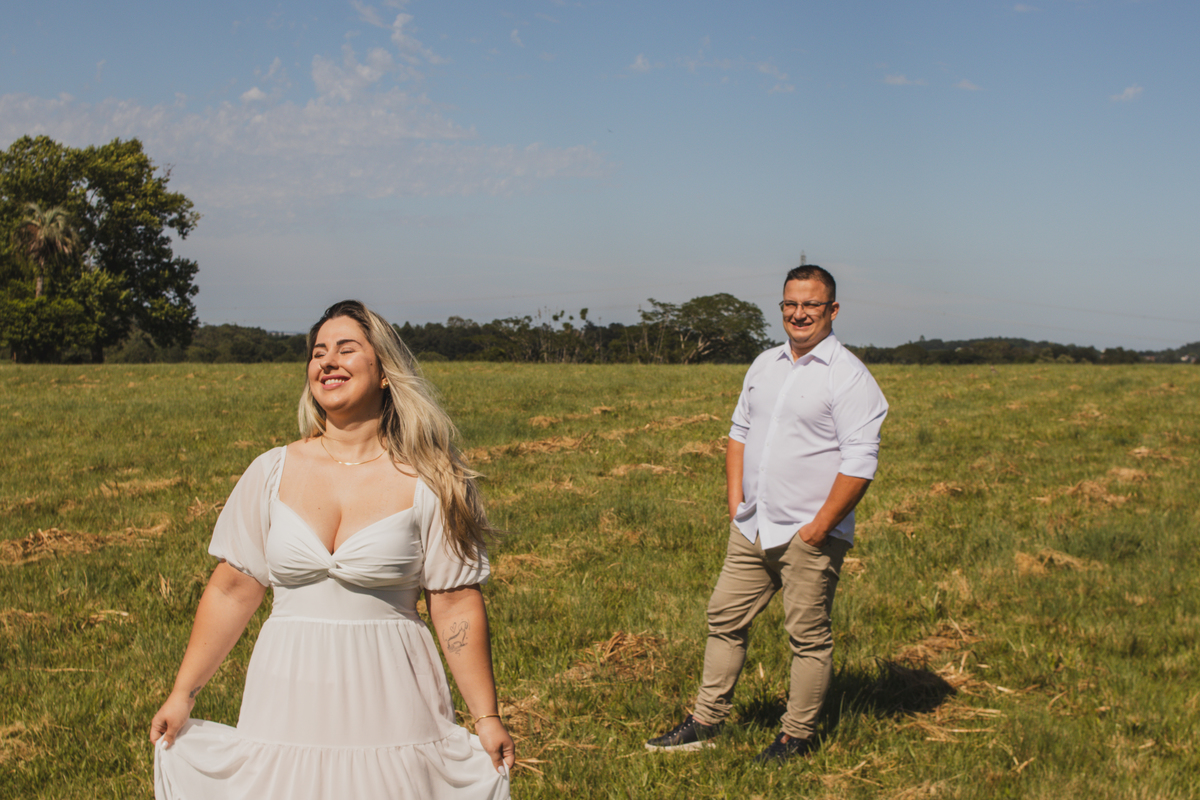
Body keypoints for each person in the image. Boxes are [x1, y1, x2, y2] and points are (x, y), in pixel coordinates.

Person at [150, 300, 514, 799]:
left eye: (346, 349)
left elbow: (454, 603)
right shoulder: (270, 471)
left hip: (393, 698)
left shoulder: (433, 479)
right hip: (286, 694)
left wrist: (486, 716)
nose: (327, 361)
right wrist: (183, 694)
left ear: (384, 371)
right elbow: (232, 590)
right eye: (318, 352)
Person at [645, 264, 888, 764]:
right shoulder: (764, 364)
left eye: (811, 304)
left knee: (807, 638)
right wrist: (736, 502)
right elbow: (739, 432)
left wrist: (818, 528)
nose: (799, 314)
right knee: (723, 618)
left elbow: (861, 462)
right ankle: (706, 722)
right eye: (790, 304)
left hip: (809, 534)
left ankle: (795, 739)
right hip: (753, 526)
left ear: (832, 310)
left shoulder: (848, 376)